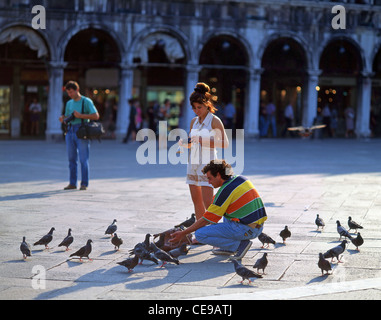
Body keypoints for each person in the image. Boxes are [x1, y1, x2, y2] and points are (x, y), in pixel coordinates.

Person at [170, 159, 267, 260]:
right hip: (257, 226)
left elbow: (206, 220)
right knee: (226, 212)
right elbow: (219, 203)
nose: (209, 182)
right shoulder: (240, 179)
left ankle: (239, 245)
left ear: (218, 175)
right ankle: (230, 248)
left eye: (210, 178)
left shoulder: (225, 192)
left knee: (200, 234)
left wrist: (183, 233)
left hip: (247, 229)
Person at [181, 83, 229, 224]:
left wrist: (202, 140)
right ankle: (201, 233)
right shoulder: (194, 122)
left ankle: (215, 232)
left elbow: (225, 143)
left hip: (208, 163)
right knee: (196, 201)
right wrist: (185, 143)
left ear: (207, 104)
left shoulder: (214, 121)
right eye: (194, 108)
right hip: (193, 162)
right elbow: (192, 142)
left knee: (208, 203)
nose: (197, 111)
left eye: (199, 107)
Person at [59, 81, 99, 190]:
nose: (70, 95)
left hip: (81, 131)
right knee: (71, 159)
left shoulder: (86, 101)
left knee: (83, 159)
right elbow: (67, 117)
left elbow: (96, 116)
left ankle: (84, 184)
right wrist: (63, 119)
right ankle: (72, 183)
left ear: (77, 90)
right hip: (70, 131)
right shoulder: (69, 103)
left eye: (71, 92)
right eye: (68, 93)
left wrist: (81, 115)